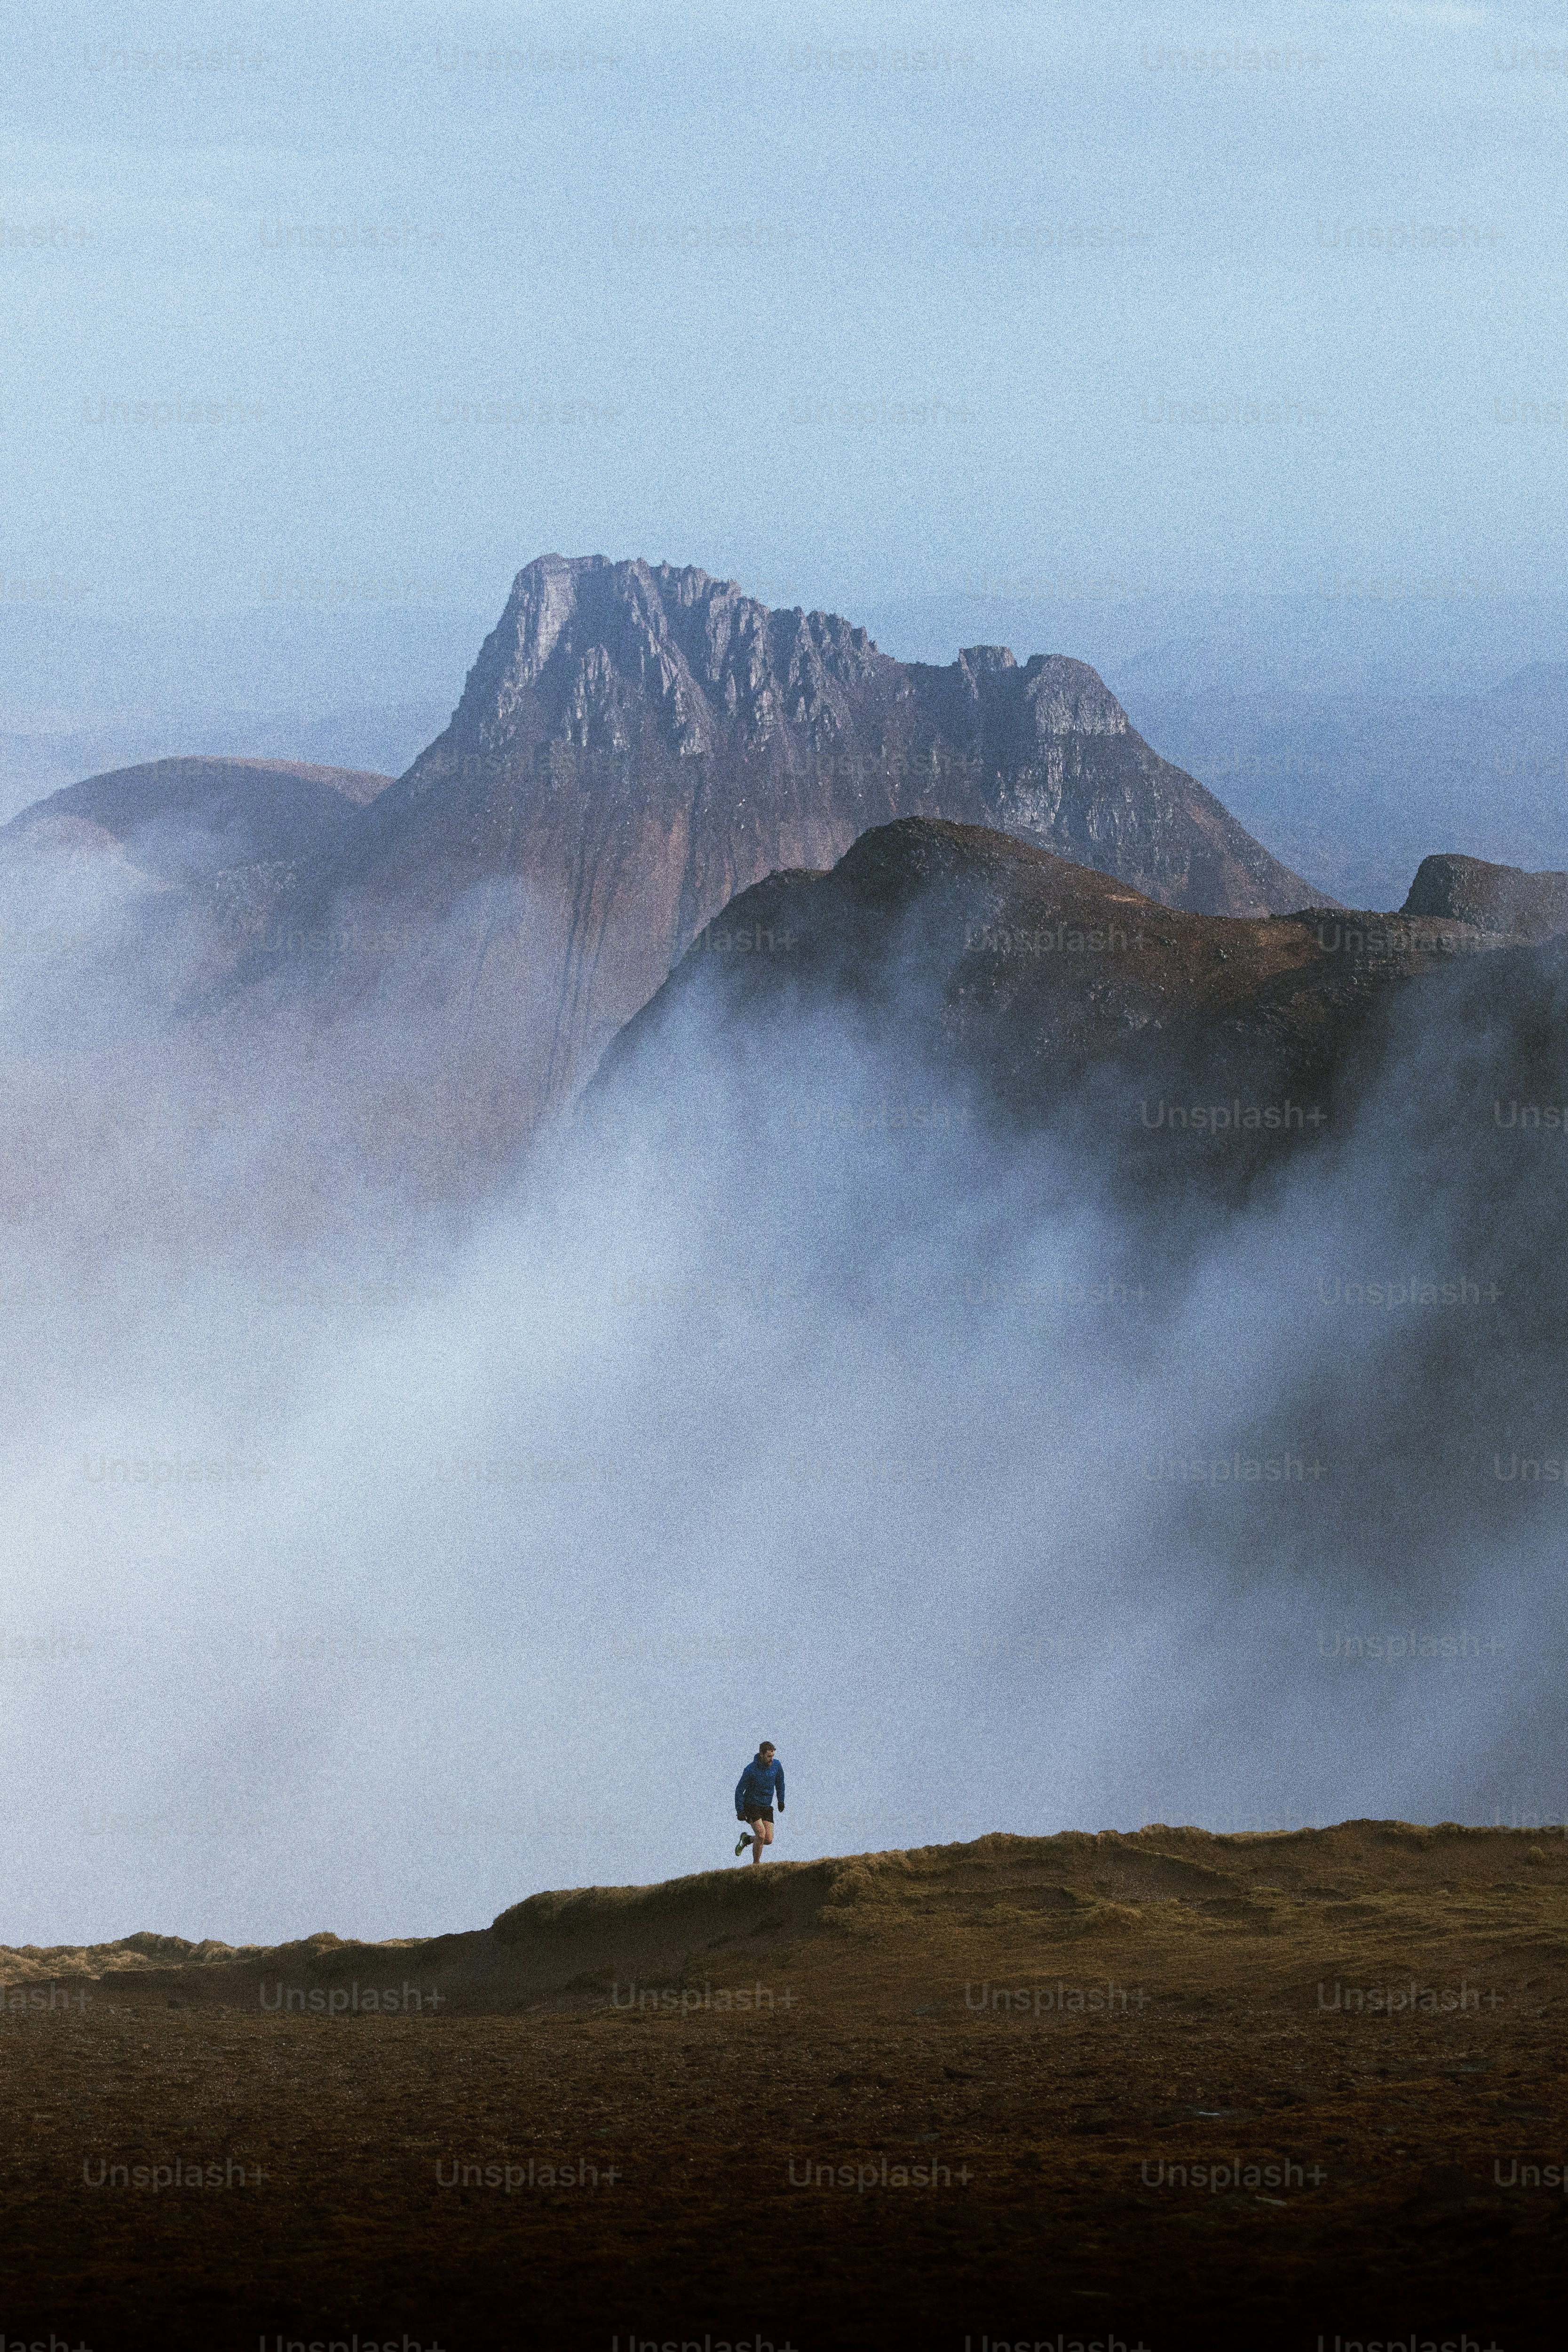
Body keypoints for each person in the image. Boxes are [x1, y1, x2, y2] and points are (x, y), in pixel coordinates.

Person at [734, 1740, 784, 1863]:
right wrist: (740, 1810)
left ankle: (746, 1840)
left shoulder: (777, 1766)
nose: (771, 1759)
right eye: (769, 1756)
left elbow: (780, 1784)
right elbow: (739, 1790)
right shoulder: (751, 1770)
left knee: (768, 1839)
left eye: (773, 1756)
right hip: (751, 1805)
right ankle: (756, 1865)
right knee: (761, 1834)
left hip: (766, 1806)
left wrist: (781, 1800)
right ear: (761, 1755)